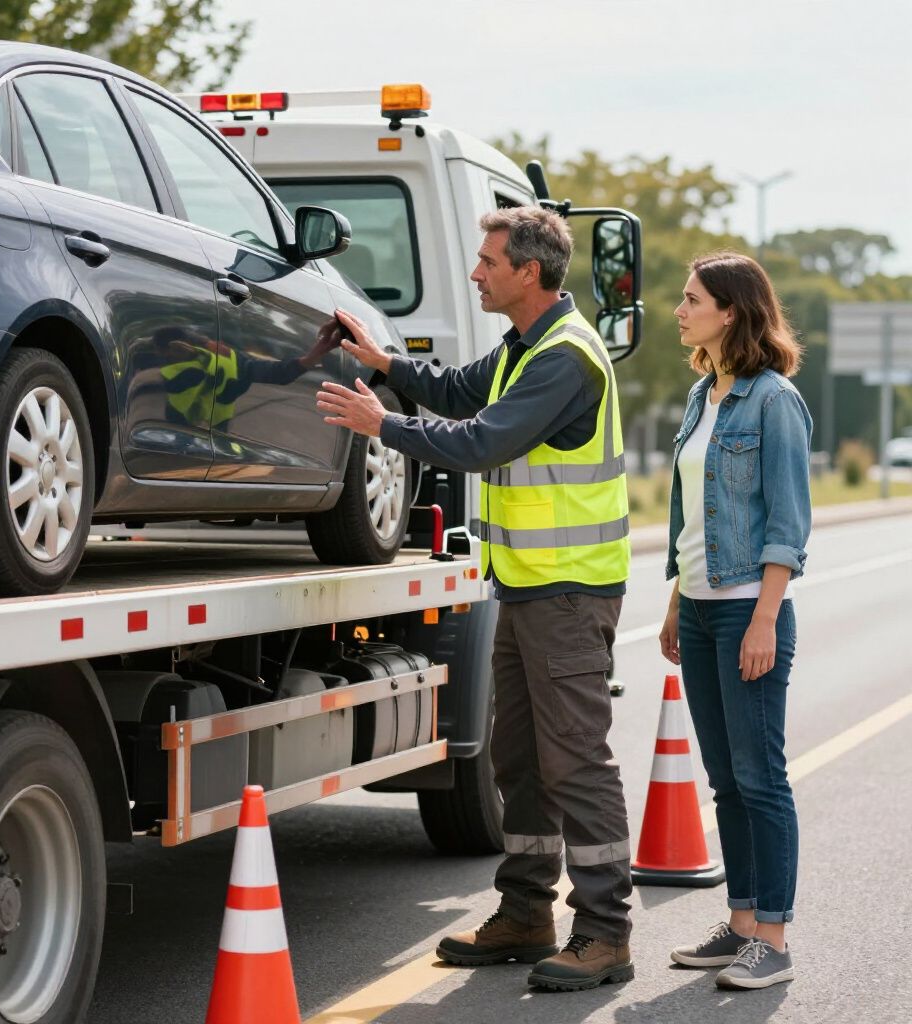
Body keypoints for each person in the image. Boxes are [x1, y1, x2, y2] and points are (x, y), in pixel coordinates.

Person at [317, 206, 634, 993]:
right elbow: (460, 391)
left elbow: (481, 440)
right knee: (519, 762)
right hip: (526, 587)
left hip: (568, 594)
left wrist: (379, 423)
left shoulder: (567, 358)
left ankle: (605, 934)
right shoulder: (524, 347)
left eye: (489, 261)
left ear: (530, 272)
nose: (476, 272)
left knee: (576, 764)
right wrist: (385, 363)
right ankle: (527, 914)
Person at [659, 250, 812, 990]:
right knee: (725, 780)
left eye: (692, 299)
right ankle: (743, 924)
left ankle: (774, 940)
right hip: (697, 608)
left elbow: (787, 521)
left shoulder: (772, 399)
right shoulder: (702, 396)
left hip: (749, 611)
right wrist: (673, 600)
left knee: (761, 779)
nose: (679, 310)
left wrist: (764, 618)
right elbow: (690, 513)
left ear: (731, 310)